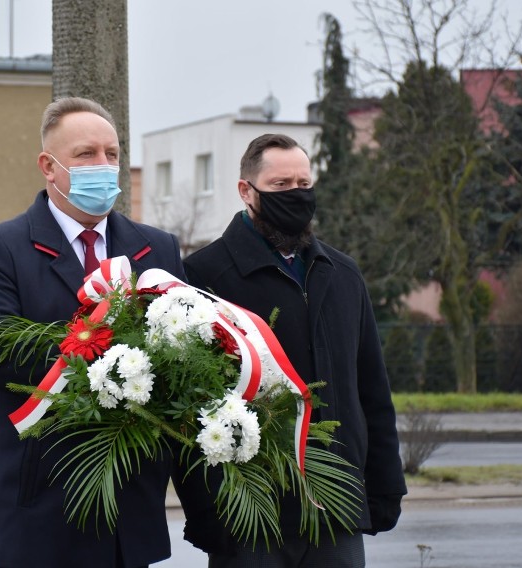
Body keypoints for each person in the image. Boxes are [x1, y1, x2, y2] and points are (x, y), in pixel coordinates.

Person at [0, 97, 185, 568]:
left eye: (112, 154)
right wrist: (108, 366)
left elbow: (183, 351)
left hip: (130, 504)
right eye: (86, 155)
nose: (104, 166)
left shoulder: (157, 248)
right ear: (49, 165)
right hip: (42, 504)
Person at [177, 133, 407, 567]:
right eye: (281, 186)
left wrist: (384, 485)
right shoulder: (203, 276)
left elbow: (372, 388)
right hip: (249, 512)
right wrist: (205, 510)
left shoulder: (342, 274)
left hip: (336, 503)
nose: (297, 196)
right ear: (246, 190)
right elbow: (188, 408)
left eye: (304, 184)